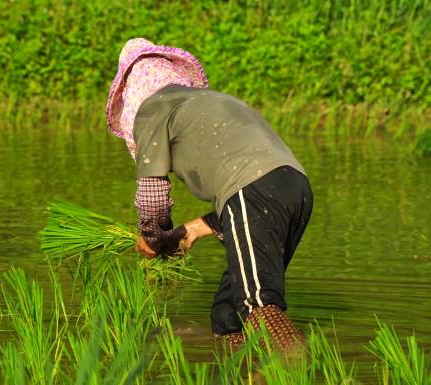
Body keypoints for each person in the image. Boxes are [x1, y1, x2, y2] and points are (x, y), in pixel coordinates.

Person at [105, 38, 313, 350]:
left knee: (259, 305)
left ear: (133, 93)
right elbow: (257, 195)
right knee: (229, 314)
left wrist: (152, 236)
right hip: (295, 188)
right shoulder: (208, 103)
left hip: (250, 189)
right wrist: (192, 230)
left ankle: (297, 363)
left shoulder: (152, 109)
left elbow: (152, 192)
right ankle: (235, 359)